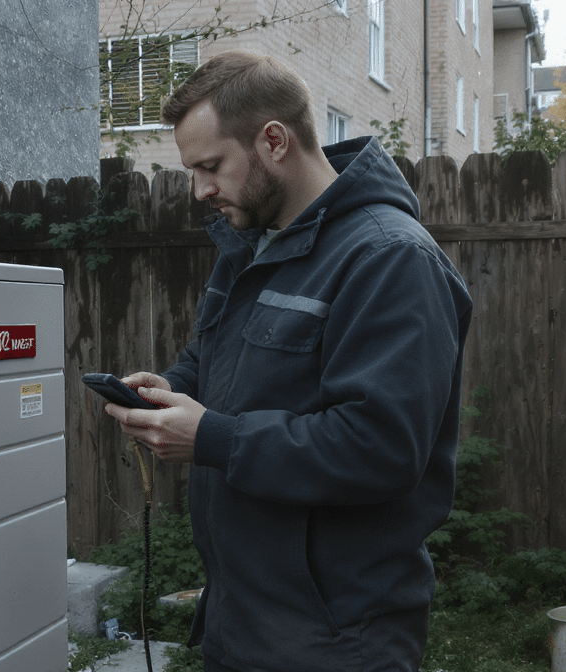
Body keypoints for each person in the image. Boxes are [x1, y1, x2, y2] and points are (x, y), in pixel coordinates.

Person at [102, 51, 472, 672]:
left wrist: (210, 436)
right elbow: (218, 354)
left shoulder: (389, 258)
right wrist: (173, 388)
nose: (200, 190)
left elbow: (381, 446)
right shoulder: (254, 243)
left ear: (274, 140)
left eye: (211, 165)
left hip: (335, 637)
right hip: (241, 619)